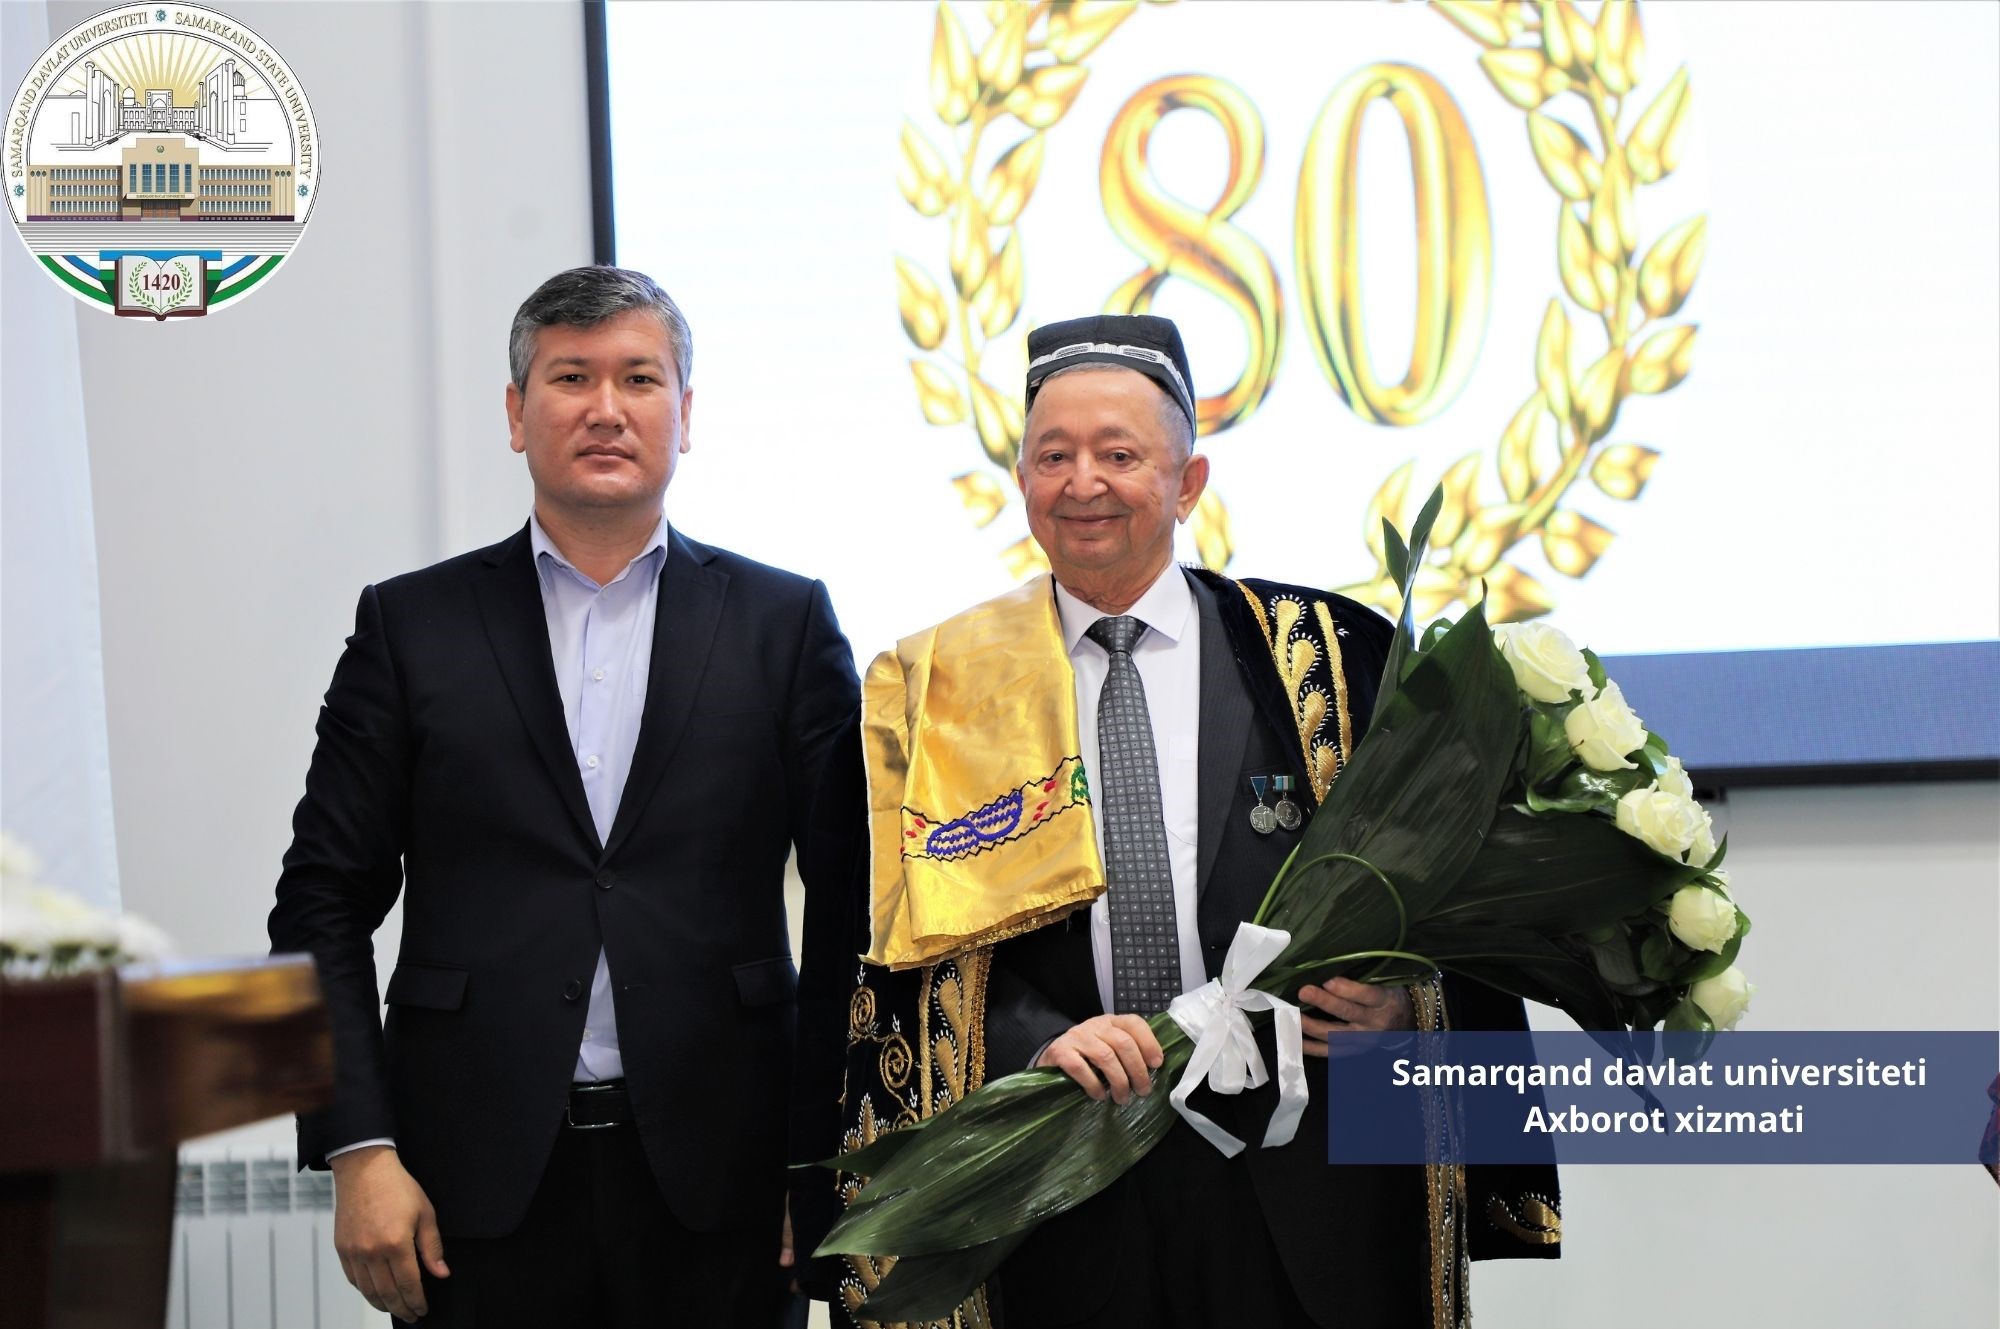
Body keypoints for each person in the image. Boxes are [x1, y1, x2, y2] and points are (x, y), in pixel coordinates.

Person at [799, 314, 1557, 1329]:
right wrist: (1032, 1042)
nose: (1083, 483)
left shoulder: (1330, 656)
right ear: (1020, 480)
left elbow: (1448, 902)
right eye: (1053, 457)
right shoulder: (935, 692)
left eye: (1119, 455)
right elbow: (874, 948)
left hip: (1306, 1186)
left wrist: (1402, 1008)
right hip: (1054, 1187)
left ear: (1188, 482)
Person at [270, 266, 858, 1327]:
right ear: (516, 413)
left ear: (685, 413)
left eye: (639, 378)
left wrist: (825, 1154)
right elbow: (320, 900)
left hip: (727, 1180)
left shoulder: (784, 626)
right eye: (571, 377)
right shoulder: (412, 628)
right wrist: (358, 1146)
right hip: (468, 1185)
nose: (605, 408)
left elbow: (853, 906)